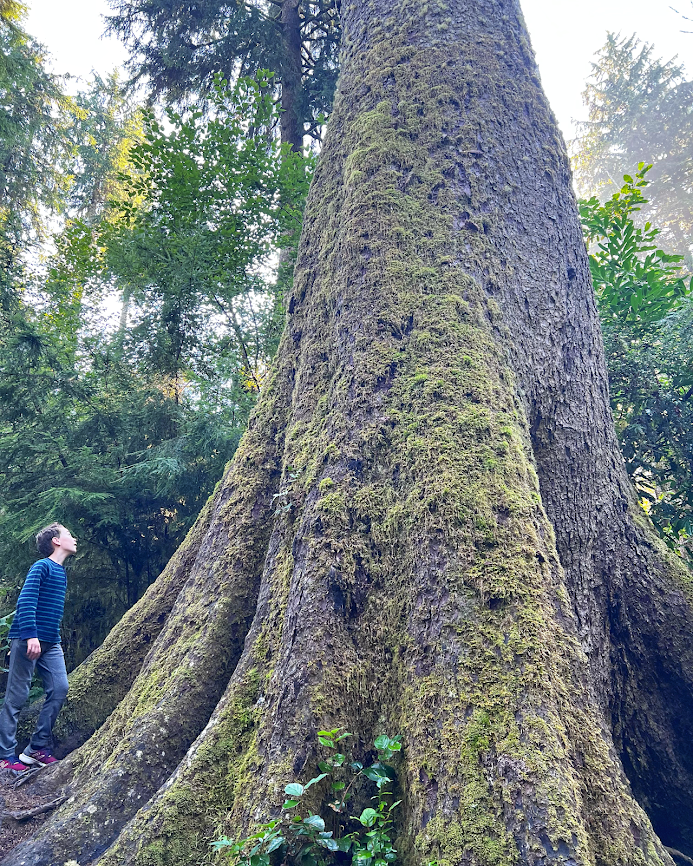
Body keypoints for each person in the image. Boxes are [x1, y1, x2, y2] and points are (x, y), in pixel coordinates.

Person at [0, 523, 76, 773]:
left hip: (51, 642)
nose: (73, 539)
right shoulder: (41, 567)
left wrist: (47, 638)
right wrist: (30, 636)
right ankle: (6, 756)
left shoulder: (61, 573)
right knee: (17, 697)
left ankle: (36, 748)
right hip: (27, 639)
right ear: (56, 541)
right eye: (68, 535)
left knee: (60, 687)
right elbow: (26, 600)